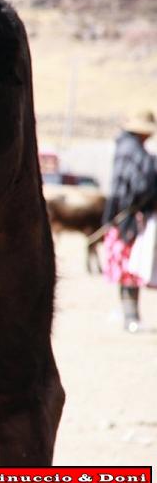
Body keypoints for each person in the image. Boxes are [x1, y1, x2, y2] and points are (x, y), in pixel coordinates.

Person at [102, 110, 157, 333]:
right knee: (130, 265)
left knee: (125, 265)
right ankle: (130, 315)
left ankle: (128, 313)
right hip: (129, 220)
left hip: (120, 216)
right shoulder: (135, 153)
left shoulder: (125, 149)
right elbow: (141, 186)